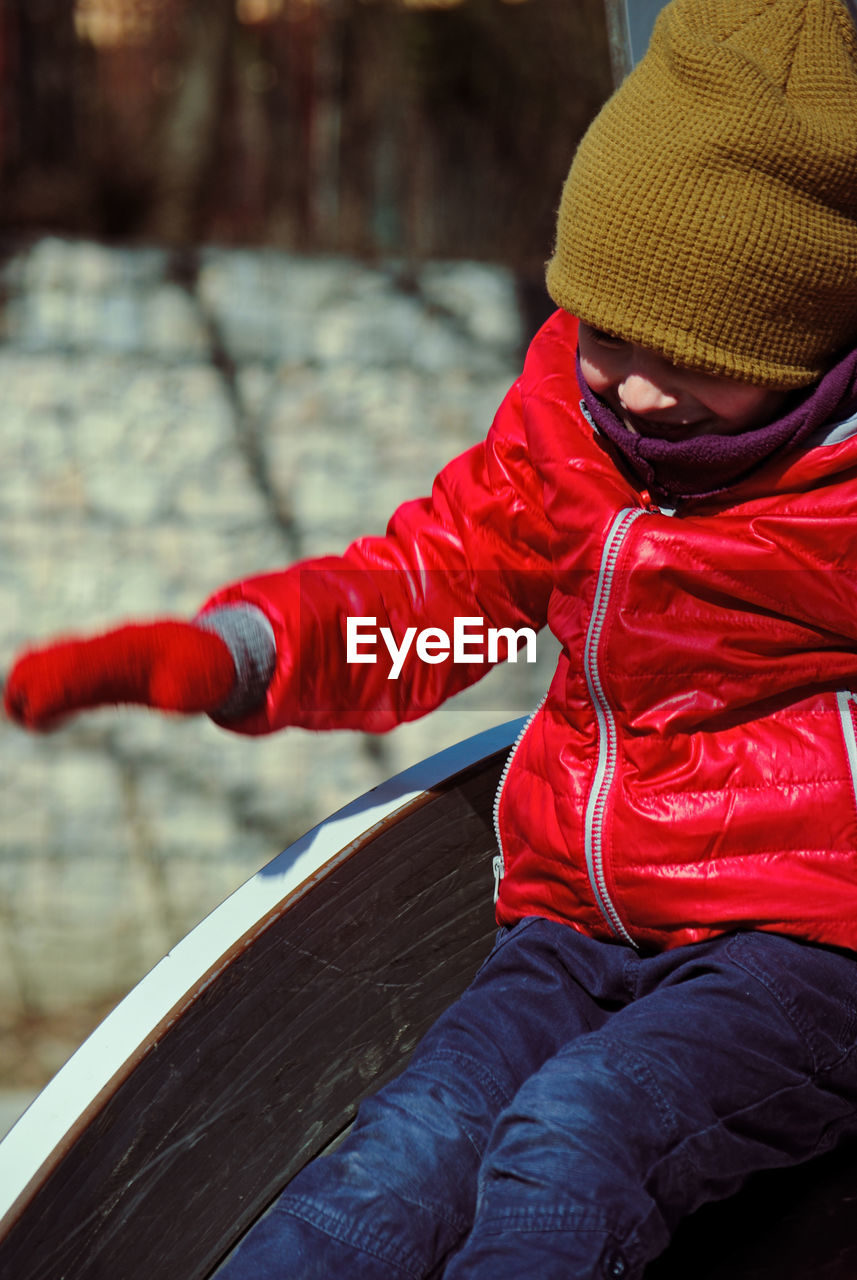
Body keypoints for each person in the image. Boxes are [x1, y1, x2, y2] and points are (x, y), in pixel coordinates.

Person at [6, 0, 857, 1275]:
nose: (622, 383)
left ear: (798, 340)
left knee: (575, 1132)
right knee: (396, 1153)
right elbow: (434, 597)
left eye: (676, 353)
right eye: (602, 332)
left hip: (801, 949)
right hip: (573, 926)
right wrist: (236, 651)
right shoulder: (572, 440)